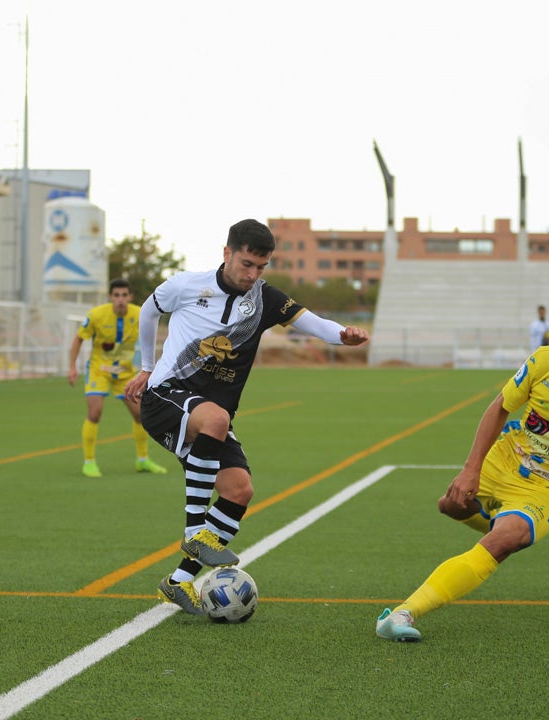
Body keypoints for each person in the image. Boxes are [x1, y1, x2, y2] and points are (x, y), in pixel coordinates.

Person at [376, 283, 549, 643]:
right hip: (506, 459)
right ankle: (496, 521)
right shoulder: (543, 361)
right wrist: (471, 468)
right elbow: (499, 408)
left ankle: (402, 614)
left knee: (506, 539)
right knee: (450, 505)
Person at [125, 219, 370, 614]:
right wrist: (147, 366)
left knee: (239, 492)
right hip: (165, 396)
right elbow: (148, 311)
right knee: (218, 419)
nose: (252, 274)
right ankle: (195, 532)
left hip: (209, 417)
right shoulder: (187, 285)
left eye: (261, 267)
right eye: (246, 264)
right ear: (227, 253)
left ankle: (178, 581)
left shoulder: (264, 300)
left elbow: (316, 325)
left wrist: (344, 335)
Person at [67, 278, 168, 478]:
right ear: (110, 297)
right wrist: (72, 366)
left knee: (141, 415)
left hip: (125, 373)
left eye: (124, 295)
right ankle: (89, 462)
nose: (120, 299)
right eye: (116, 295)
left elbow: (153, 334)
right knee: (94, 413)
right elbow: (79, 338)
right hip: (99, 370)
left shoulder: (140, 313)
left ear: (129, 296)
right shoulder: (96, 315)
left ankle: (143, 460)